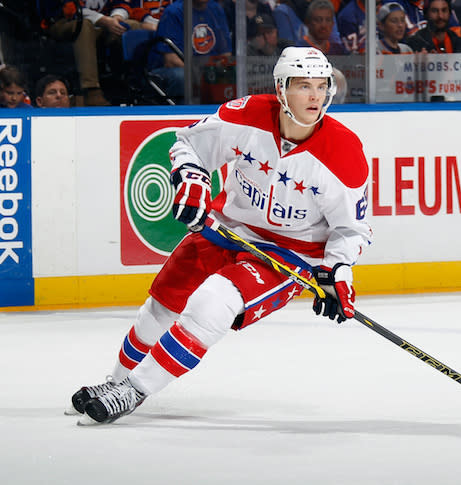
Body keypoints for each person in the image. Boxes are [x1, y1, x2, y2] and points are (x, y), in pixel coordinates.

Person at [66, 46, 372, 425]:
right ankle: (114, 383)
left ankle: (134, 391)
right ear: (280, 88)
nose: (315, 96)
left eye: (322, 86)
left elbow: (350, 229)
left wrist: (337, 273)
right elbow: (189, 144)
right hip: (226, 230)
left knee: (214, 301)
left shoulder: (344, 152)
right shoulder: (245, 115)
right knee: (161, 307)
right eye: (303, 85)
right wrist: (193, 183)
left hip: (287, 256)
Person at [37, 0, 140, 106]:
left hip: (105, 23)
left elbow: (123, 3)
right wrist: (103, 20)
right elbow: (70, 8)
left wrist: (117, 16)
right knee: (84, 25)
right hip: (65, 21)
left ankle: (138, 86)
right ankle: (91, 90)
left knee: (133, 26)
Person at [148, 0, 232, 99]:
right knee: (183, 77)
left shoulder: (216, 9)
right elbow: (172, 61)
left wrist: (223, 69)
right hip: (174, 69)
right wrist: (203, 75)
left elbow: (226, 52)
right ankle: (182, 112)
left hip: (207, 70)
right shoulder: (174, 12)